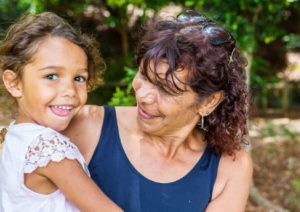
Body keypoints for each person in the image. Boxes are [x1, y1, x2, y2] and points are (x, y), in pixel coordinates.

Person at [63, 9, 253, 212]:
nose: (144, 97)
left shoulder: (230, 167)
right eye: (144, 76)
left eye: (166, 89)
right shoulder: (85, 126)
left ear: (208, 102)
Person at [0, 12, 122, 211]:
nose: (70, 91)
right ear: (14, 83)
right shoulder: (49, 148)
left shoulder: (15, 134)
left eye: (79, 78)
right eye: (51, 76)